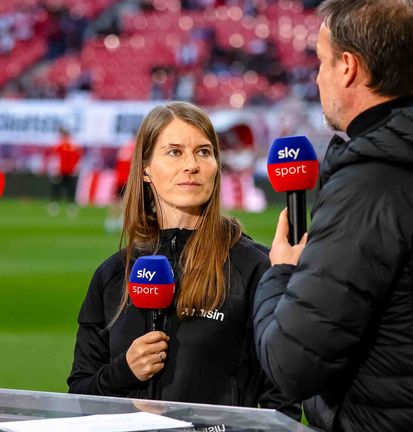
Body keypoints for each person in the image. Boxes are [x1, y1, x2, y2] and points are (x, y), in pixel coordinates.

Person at [252, 1, 413, 431]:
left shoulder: (370, 188)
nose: (317, 76)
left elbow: (290, 365)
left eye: (320, 61)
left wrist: (281, 273)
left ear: (347, 67)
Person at [68, 101, 298, 416]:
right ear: (145, 169)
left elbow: (282, 401)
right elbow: (78, 395)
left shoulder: (255, 267)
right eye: (175, 152)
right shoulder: (111, 275)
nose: (191, 165)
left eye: (203, 152)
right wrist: (124, 371)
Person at [47, 126, 82, 216]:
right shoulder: (62, 145)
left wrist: (75, 169)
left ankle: (69, 206)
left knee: (68, 189)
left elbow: (77, 159)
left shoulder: (71, 146)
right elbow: (55, 158)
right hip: (61, 171)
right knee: (58, 189)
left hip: (67, 171)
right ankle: (55, 205)